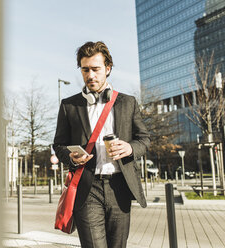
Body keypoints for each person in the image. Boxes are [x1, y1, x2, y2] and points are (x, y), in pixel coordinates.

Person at [53, 41, 150, 248]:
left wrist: (130, 148)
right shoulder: (69, 106)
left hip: (119, 187)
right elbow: (58, 145)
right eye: (85, 69)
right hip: (87, 189)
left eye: (96, 69)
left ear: (108, 69)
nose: (90, 75)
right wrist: (70, 156)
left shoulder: (128, 102)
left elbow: (144, 139)